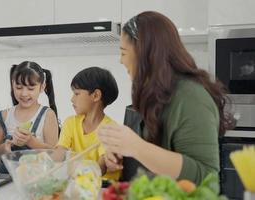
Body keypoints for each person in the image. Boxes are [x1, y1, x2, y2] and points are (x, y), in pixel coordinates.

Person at [98, 11, 234, 185]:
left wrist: (136, 147)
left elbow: (205, 176)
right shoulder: (153, 94)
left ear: (145, 53)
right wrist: (124, 154)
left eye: (123, 52)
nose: (121, 61)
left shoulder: (192, 98)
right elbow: (156, 155)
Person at [0, 61, 59, 174]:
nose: (24, 93)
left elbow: (55, 154)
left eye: (31, 89)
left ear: (42, 87)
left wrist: (31, 141)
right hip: (6, 182)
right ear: (12, 85)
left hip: (36, 183)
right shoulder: (3, 116)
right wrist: (6, 147)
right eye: (19, 87)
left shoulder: (47, 114)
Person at [56, 67, 120, 181]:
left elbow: (101, 167)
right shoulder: (71, 123)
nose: (72, 99)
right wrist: (45, 167)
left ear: (95, 95)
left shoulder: (110, 129)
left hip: (104, 186)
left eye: (77, 93)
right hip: (79, 182)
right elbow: (59, 153)